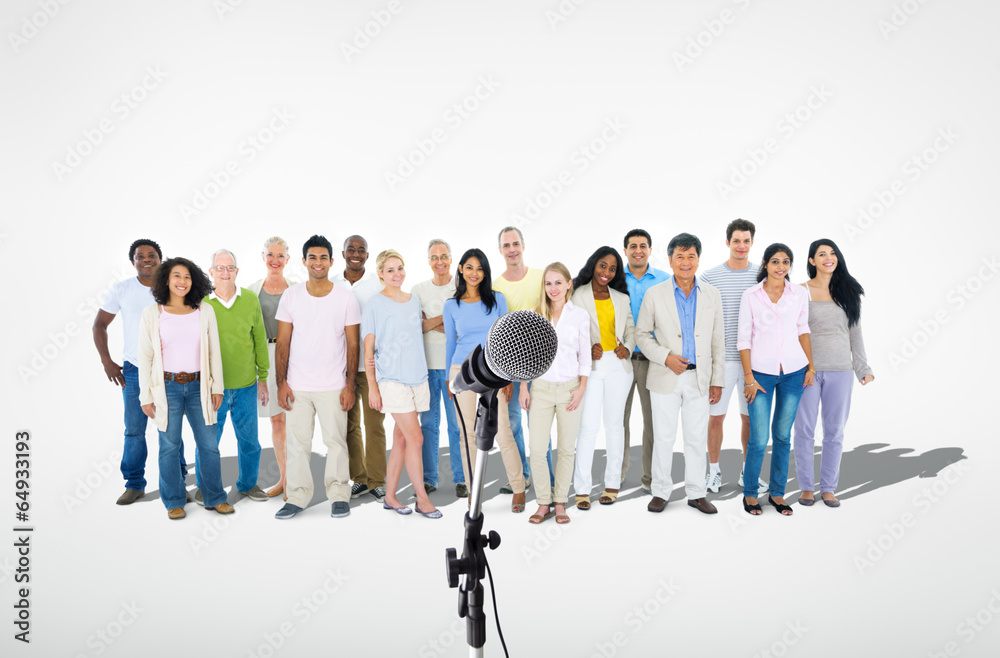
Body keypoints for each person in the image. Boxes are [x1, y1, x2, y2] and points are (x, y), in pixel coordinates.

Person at [635, 234, 725, 514]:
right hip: (665, 375)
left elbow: (718, 340)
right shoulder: (655, 293)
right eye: (680, 257)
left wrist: (717, 380)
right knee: (663, 437)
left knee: (696, 438)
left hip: (700, 378)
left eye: (691, 257)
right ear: (670, 259)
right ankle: (661, 491)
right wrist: (666, 357)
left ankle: (697, 493)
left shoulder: (711, 294)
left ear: (698, 259)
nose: (685, 263)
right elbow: (640, 334)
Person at [273, 235, 360, 520]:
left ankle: (338, 494)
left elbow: (353, 344)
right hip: (298, 385)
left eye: (323, 257)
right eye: (312, 257)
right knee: (298, 444)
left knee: (335, 441)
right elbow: (282, 342)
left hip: (333, 385)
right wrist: (281, 382)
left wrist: (349, 385)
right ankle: (297, 496)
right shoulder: (291, 296)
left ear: (331, 261)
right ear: (304, 261)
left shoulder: (345, 297)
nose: (318, 262)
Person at [136, 257, 231, 520]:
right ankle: (174, 500)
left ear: (194, 281)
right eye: (177, 276)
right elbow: (145, 357)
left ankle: (214, 497)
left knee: (209, 446)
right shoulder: (152, 313)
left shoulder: (204, 311)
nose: (182, 281)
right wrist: (146, 395)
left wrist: (217, 388)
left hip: (200, 386)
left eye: (187, 277)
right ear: (166, 279)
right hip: (167, 388)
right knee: (169, 445)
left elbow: (214, 352)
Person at [93, 239, 187, 505]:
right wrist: (106, 361)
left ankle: (178, 479)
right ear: (132, 261)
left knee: (170, 427)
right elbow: (99, 324)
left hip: (169, 370)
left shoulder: (174, 287)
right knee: (134, 429)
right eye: (140, 256)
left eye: (152, 255)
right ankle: (134, 484)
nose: (146, 259)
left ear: (160, 258)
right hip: (134, 370)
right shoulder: (122, 290)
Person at [443, 248, 526, 512]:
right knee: (467, 434)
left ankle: (518, 488)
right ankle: (472, 490)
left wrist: (510, 376)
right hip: (461, 370)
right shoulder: (451, 305)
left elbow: (507, 338)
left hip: (494, 370)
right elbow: (450, 342)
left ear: (485, 272)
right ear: (460, 269)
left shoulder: (497, 300)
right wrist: (448, 378)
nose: (474, 273)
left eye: (479, 268)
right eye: (469, 267)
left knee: (503, 431)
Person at [794, 239, 874, 508]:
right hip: (806, 370)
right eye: (821, 254)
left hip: (841, 369)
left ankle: (828, 488)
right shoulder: (798, 292)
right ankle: (806, 487)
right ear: (811, 261)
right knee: (803, 430)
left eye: (833, 253)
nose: (829, 258)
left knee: (834, 431)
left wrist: (863, 367)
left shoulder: (850, 292)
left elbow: (855, 332)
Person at [362, 250, 442, 519]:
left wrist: (445, 318)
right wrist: (373, 386)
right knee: (415, 438)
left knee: (400, 438)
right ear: (381, 274)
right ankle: (421, 499)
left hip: (418, 377)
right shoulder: (374, 303)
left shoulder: (412, 300)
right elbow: (369, 349)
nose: (397, 274)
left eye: (400, 268)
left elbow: (417, 330)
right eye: (390, 270)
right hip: (391, 379)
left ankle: (390, 496)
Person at [738, 243, 814, 516]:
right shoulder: (751, 295)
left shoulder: (799, 294)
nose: (780, 266)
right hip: (760, 374)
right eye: (775, 261)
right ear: (765, 264)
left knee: (782, 436)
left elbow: (803, 329)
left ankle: (777, 493)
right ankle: (749, 494)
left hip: (794, 371)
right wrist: (748, 377)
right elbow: (743, 339)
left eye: (785, 262)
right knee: (759, 438)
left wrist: (811, 367)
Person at [193, 249, 270, 505]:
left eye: (230, 268)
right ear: (211, 271)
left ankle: (248, 484)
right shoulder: (201, 303)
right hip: (214, 389)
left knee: (249, 441)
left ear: (237, 271)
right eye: (220, 267)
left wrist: (263, 377)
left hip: (246, 386)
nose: (225, 272)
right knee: (209, 443)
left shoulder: (249, 299)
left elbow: (259, 338)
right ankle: (205, 487)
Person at [519, 263, 590, 524]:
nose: (553, 288)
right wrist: (524, 386)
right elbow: (526, 356)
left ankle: (560, 502)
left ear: (569, 283)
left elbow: (584, 356)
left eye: (558, 282)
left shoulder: (579, 316)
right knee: (537, 450)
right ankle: (542, 503)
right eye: (548, 283)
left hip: (571, 389)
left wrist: (582, 387)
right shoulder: (534, 314)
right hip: (540, 389)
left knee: (566, 450)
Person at [701, 219, 765, 494]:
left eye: (746, 240)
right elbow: (699, 317)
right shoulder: (710, 277)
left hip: (755, 361)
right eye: (736, 240)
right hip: (722, 361)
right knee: (716, 417)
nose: (741, 245)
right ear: (727, 242)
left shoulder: (763, 275)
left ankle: (746, 472)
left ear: (752, 242)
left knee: (749, 418)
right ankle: (713, 472)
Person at [571, 246, 635, 509]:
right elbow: (569, 332)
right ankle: (582, 489)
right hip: (591, 367)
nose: (606, 272)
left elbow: (631, 329)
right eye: (602, 266)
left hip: (618, 366)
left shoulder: (621, 297)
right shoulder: (576, 295)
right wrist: (586, 348)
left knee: (615, 426)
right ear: (593, 265)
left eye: (612, 268)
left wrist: (627, 348)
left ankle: (612, 484)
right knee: (587, 429)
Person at [493, 226, 551, 493]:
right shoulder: (496, 286)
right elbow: (496, 331)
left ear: (524, 246)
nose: (512, 249)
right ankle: (522, 475)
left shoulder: (542, 277)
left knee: (538, 424)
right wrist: (502, 374)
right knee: (513, 423)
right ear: (501, 250)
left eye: (515, 243)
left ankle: (546, 478)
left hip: (541, 363)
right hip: (510, 367)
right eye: (506, 245)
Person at [411, 239, 465, 497]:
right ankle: (429, 478)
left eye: (444, 256)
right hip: (427, 367)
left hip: (454, 367)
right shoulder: (418, 289)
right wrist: (444, 320)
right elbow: (416, 326)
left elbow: (461, 327)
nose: (439, 261)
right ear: (428, 261)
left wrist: (429, 321)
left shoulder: (461, 287)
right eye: (434, 257)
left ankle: (462, 478)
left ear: (451, 258)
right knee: (428, 424)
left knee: (457, 424)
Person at [336, 235, 388, 502]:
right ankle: (359, 477)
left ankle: (377, 480)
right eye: (351, 250)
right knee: (349, 426)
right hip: (339, 369)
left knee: (374, 424)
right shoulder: (332, 284)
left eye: (361, 250)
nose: (356, 254)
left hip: (370, 369)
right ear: (343, 253)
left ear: (367, 256)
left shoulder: (376, 286)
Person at [620, 228, 669, 494]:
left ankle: (650, 478)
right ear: (625, 250)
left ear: (650, 249)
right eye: (632, 246)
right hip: (622, 359)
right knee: (619, 420)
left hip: (653, 360)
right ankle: (616, 474)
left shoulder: (664, 280)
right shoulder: (615, 279)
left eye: (643, 245)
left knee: (653, 422)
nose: (638, 250)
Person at [248, 237, 296, 499]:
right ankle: (285, 479)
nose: (274, 260)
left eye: (280, 255)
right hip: (266, 356)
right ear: (263, 257)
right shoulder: (252, 291)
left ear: (287, 259)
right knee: (277, 421)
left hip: (295, 356)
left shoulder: (298, 289)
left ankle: (296, 480)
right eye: (270, 255)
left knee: (295, 420)